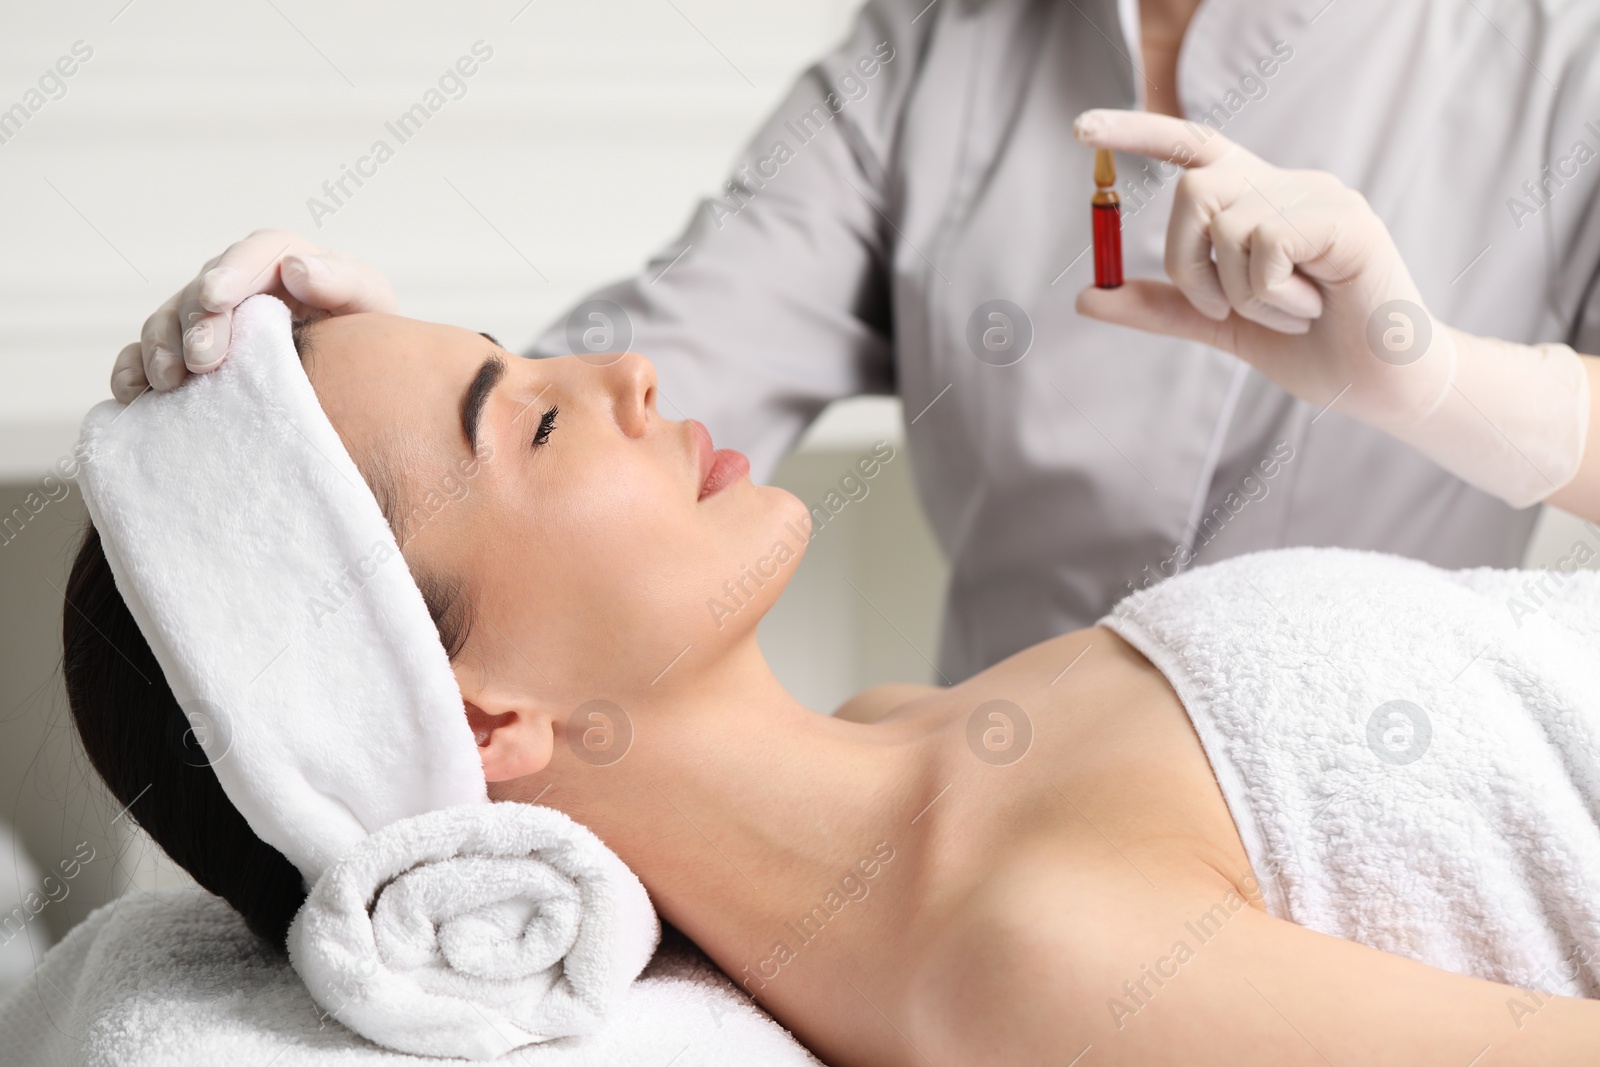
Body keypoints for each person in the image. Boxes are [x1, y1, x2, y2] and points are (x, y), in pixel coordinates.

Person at [64, 299, 1600, 1065]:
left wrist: (1446, 385)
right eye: (531, 419)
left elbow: (442, 590)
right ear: (481, 717)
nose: (630, 377)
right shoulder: (1025, 956)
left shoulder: (899, 746)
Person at [106, 0, 1600, 683]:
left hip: (1387, 813)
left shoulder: (1556, 60)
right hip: (995, 813)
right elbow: (652, 375)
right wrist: (399, 386)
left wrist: (1432, 378)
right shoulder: (932, 54)